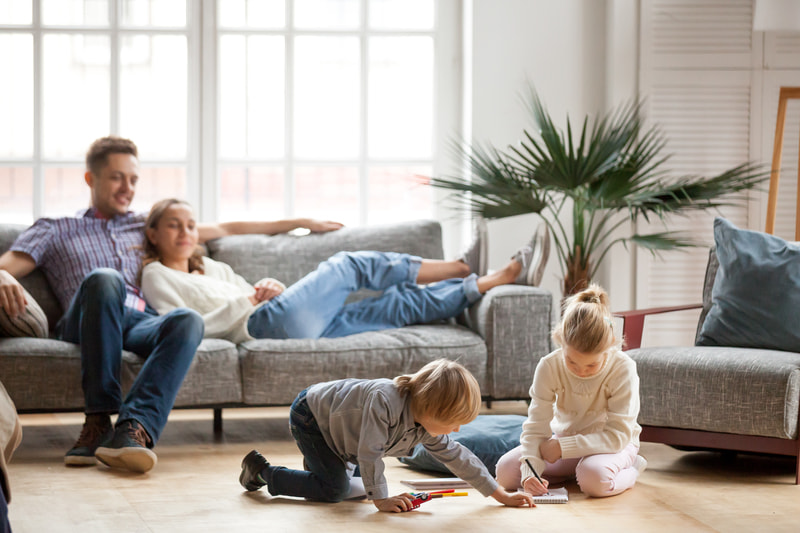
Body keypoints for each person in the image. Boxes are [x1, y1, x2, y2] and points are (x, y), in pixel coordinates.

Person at [0, 136, 342, 473]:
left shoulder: (144, 224)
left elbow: (227, 227)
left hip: (137, 320)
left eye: (133, 179)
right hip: (87, 319)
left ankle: (134, 431)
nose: (127, 187)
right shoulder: (56, 228)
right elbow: (10, 264)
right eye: (117, 177)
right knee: (105, 279)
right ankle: (98, 420)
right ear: (91, 179)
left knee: (187, 320)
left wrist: (299, 222)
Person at [138, 199, 543, 342]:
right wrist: (249, 301)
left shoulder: (211, 266)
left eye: (190, 225)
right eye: (174, 225)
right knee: (348, 265)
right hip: (261, 325)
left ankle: (491, 279)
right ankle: (458, 265)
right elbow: (180, 327)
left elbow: (252, 289)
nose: (186, 232)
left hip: (281, 318)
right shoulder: (156, 276)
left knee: (395, 306)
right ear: (153, 234)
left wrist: (269, 285)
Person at [238, 359, 535, 511]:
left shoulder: (426, 425)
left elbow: (459, 458)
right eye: (452, 423)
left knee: (350, 491)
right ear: (431, 409)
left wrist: (501, 495)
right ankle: (262, 472)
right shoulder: (385, 400)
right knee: (335, 491)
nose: (456, 431)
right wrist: (381, 500)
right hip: (312, 417)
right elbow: (370, 453)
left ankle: (321, 472)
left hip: (343, 435)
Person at [494, 284, 646, 498]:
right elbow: (536, 427)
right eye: (572, 362)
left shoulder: (623, 368)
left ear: (610, 347)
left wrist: (562, 447)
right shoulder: (548, 365)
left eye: (591, 365)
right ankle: (573, 472)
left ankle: (630, 470)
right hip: (564, 441)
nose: (581, 371)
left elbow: (617, 436)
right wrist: (530, 473)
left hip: (613, 445)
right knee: (505, 473)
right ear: (560, 341)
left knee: (594, 480)